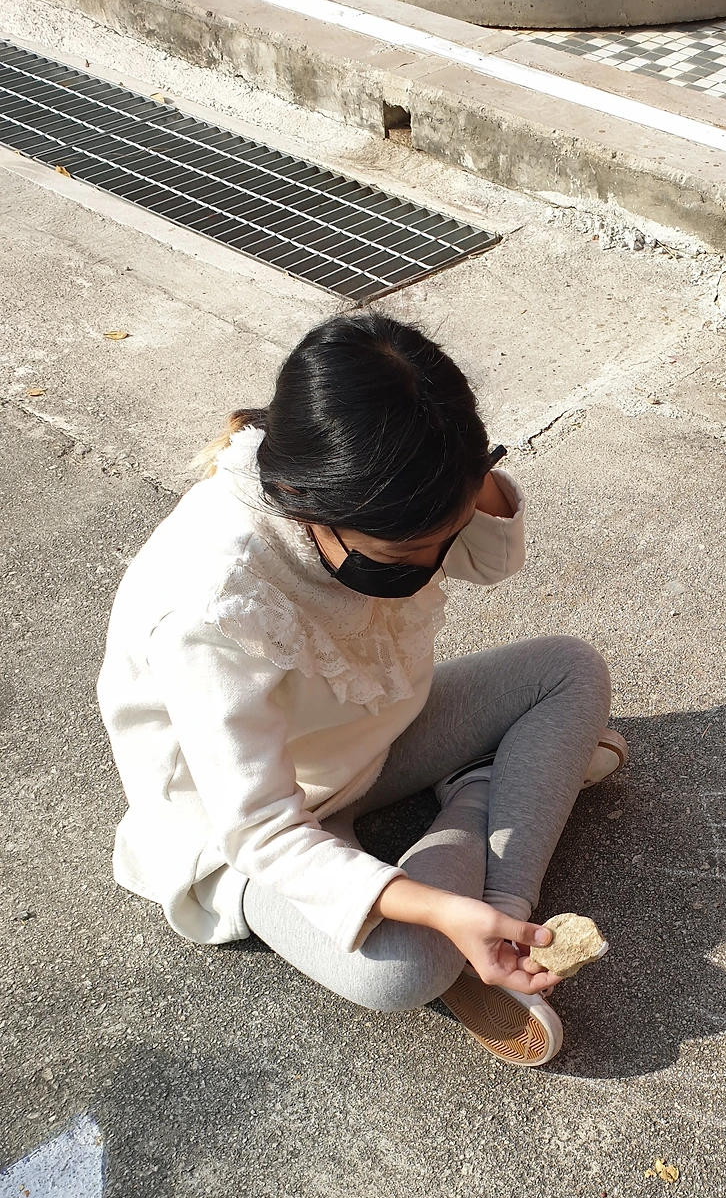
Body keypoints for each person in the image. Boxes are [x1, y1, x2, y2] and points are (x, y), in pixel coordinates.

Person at [97, 312, 623, 1068]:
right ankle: (485, 797)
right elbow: (263, 830)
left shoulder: (383, 486)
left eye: (442, 538)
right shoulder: (213, 604)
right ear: (306, 504)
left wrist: (461, 466)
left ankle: (505, 912)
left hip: (373, 735)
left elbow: (490, 561)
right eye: (404, 556)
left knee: (568, 669)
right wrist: (435, 909)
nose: (434, 564)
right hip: (241, 831)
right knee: (402, 971)